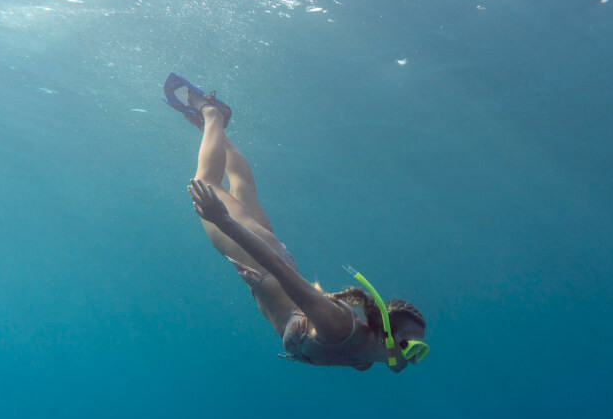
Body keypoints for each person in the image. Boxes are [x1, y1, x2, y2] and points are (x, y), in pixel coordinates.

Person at [164, 73, 429, 372]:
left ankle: (215, 126)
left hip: (271, 262)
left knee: (242, 190)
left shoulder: (364, 357)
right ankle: (210, 114)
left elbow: (374, 360)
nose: (413, 359)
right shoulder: (338, 327)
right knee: (207, 183)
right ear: (389, 337)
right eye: (413, 348)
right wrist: (223, 222)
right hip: (263, 264)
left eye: (419, 352)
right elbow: (277, 268)